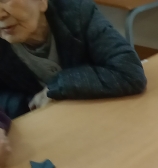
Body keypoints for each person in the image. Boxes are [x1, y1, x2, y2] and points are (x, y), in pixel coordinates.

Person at [0, 0, 147, 118]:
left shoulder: (76, 12)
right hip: (41, 128)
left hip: (101, 112)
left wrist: (58, 87)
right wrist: (27, 103)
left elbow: (129, 72)